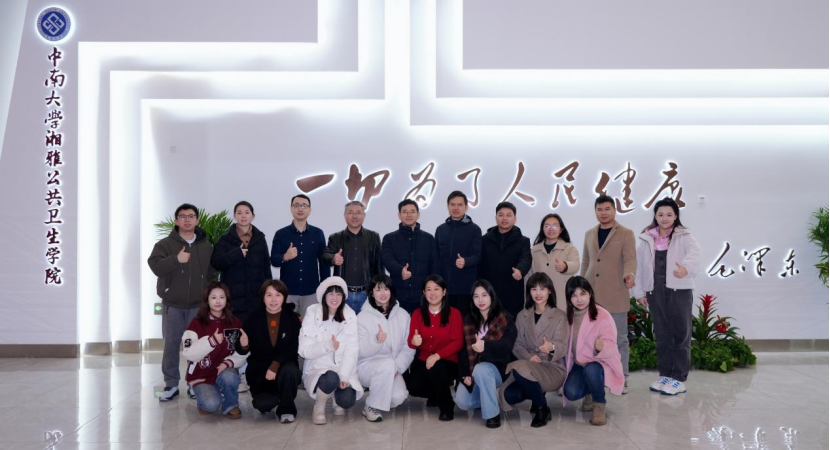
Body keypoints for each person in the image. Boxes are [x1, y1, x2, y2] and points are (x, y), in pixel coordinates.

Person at [633, 197, 702, 396]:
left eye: (669, 214)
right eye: (661, 214)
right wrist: (639, 292)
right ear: (655, 216)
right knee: (662, 334)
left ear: (676, 216)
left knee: (680, 334)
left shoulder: (684, 236)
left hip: (679, 290)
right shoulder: (646, 238)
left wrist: (685, 269)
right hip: (655, 291)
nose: (664, 218)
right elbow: (639, 267)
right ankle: (665, 374)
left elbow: (695, 255)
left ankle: (678, 378)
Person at [147, 203, 215, 402]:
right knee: (171, 345)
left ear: (197, 220)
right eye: (183, 216)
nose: (187, 220)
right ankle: (171, 385)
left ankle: (194, 382)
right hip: (172, 305)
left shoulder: (206, 246)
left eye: (191, 216)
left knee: (197, 346)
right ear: (176, 221)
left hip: (197, 306)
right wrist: (176, 259)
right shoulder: (165, 244)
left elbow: (211, 272)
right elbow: (155, 266)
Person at [211, 200, 272, 393]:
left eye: (247, 212)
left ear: (253, 215)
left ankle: (251, 375)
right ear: (234, 216)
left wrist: (268, 293)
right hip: (234, 298)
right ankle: (235, 374)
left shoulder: (260, 238)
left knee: (254, 337)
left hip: (255, 298)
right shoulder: (226, 239)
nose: (243, 216)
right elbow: (216, 262)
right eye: (239, 212)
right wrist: (237, 253)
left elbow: (266, 267)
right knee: (235, 337)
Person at [580, 195, 637, 393]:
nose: (603, 213)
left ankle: (623, 378)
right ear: (595, 211)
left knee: (619, 339)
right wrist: (581, 287)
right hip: (592, 297)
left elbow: (630, 259)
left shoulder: (626, 233)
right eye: (599, 209)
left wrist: (629, 275)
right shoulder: (589, 234)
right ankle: (596, 377)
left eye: (607, 209)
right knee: (591, 339)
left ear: (614, 210)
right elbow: (586, 262)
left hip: (615, 294)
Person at [499, 272, 569, 428]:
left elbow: (562, 345)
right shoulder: (522, 315)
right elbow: (517, 344)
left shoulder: (559, 316)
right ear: (529, 292)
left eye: (542, 289)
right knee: (509, 394)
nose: (538, 293)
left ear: (550, 291)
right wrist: (529, 357)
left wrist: (551, 347)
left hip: (552, 367)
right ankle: (539, 397)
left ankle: (541, 408)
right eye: (534, 289)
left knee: (519, 368)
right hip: (529, 363)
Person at [298, 277, 364, 425]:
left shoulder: (350, 314)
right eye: (331, 294)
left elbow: (352, 350)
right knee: (331, 378)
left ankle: (335, 397)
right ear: (324, 295)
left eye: (338, 294)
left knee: (347, 401)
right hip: (318, 369)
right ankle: (319, 406)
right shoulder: (312, 312)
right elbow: (304, 350)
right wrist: (327, 346)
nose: (335, 298)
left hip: (342, 369)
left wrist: (344, 376)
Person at [562, 276, 625, 426]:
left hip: (599, 363)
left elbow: (612, 345)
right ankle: (589, 391)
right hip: (579, 363)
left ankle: (599, 403)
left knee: (591, 370)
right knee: (571, 392)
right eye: (574, 295)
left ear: (590, 293)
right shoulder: (569, 316)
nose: (579, 299)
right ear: (569, 298)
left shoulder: (602, 315)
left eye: (583, 293)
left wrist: (601, 347)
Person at [237, 280, 302, 423]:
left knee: (290, 371)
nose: (273, 300)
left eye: (278, 295)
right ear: (263, 297)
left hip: (284, 367)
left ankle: (286, 409)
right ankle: (278, 396)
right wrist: (244, 345)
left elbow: (293, 348)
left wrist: (276, 364)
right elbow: (241, 349)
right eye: (269, 295)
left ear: (284, 297)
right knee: (263, 405)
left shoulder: (292, 318)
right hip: (260, 373)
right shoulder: (253, 318)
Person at [454, 280, 517, 429]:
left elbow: (507, 347)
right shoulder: (468, 321)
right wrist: (465, 374)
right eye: (476, 296)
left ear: (491, 296)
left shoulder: (505, 319)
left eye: (484, 295)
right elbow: (463, 352)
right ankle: (490, 399)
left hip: (498, 370)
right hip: (473, 371)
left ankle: (492, 414)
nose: (480, 300)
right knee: (462, 402)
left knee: (481, 368)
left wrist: (485, 346)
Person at [181, 282, 247, 418]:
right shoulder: (196, 323)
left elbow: (240, 354)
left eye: (222, 297)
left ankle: (231, 404)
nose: (218, 301)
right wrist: (211, 342)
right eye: (213, 297)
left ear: (227, 300)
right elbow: (188, 353)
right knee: (211, 405)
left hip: (224, 371)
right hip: (201, 375)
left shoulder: (235, 322)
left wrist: (244, 347)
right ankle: (208, 396)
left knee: (230, 376)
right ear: (207, 300)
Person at [357, 274, 416, 422]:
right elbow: (359, 350)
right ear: (371, 293)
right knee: (387, 365)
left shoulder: (403, 315)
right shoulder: (362, 317)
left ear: (391, 291)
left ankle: (375, 398)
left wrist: (397, 367)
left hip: (393, 367)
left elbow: (408, 347)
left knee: (398, 397)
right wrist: (375, 341)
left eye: (386, 289)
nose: (383, 294)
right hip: (366, 367)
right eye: (378, 290)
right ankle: (371, 407)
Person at [404, 275, 464, 421]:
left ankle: (447, 407)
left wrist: (437, 355)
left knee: (437, 368)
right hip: (424, 359)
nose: (432, 293)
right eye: (428, 289)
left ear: (444, 292)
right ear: (424, 293)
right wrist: (414, 341)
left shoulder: (454, 313)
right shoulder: (417, 313)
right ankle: (436, 394)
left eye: (436, 289)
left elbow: (458, 342)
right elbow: (411, 342)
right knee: (412, 386)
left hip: (447, 360)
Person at [270, 194, 330, 319]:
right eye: (296, 205)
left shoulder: (318, 233)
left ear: (309, 209)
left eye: (304, 206)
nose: (300, 209)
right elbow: (274, 261)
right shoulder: (281, 234)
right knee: (287, 327)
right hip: (287, 292)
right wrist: (285, 257)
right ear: (291, 208)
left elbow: (323, 262)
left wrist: (324, 287)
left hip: (311, 292)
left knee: (311, 327)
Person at [322, 201, 382, 314]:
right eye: (350, 212)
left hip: (367, 293)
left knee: (366, 324)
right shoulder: (335, 237)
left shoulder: (373, 236)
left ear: (364, 215)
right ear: (345, 215)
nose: (354, 216)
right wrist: (333, 258)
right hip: (343, 293)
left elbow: (379, 264)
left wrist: (379, 289)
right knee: (343, 323)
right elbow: (325, 256)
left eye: (358, 213)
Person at [381, 199, 439, 313]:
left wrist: (433, 290)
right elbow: (387, 259)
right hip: (398, 295)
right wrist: (400, 270)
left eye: (412, 211)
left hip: (422, 296)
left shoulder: (428, 239)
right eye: (405, 212)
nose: (409, 215)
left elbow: (435, 264)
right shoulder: (389, 238)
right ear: (399, 215)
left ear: (418, 214)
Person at [478, 202, 532, 316]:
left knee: (511, 325)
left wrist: (520, 270)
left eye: (508, 215)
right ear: (496, 218)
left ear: (515, 219)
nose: (504, 218)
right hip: (489, 293)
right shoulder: (484, 240)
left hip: (512, 293)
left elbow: (526, 258)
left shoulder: (523, 241)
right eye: (501, 215)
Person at [435, 191, 483, 318]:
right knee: (444, 322)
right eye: (453, 204)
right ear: (448, 206)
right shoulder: (440, 229)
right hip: (444, 289)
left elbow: (477, 256)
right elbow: (436, 257)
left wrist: (466, 261)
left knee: (464, 323)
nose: (456, 208)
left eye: (460, 205)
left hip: (465, 289)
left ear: (466, 207)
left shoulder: (474, 229)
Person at [530, 214, 580, 312]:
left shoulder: (569, 248)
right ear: (542, 229)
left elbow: (575, 265)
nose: (551, 229)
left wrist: (565, 266)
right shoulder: (534, 250)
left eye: (555, 226)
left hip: (562, 299)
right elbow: (529, 276)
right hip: (540, 299)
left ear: (561, 229)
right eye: (547, 226)